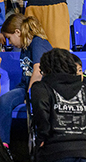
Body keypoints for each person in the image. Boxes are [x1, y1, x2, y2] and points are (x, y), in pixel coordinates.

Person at [0, 14, 52, 145]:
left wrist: (29, 95)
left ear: (18, 32)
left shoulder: (38, 42)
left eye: (9, 38)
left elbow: (38, 72)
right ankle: (3, 146)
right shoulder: (24, 47)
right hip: (24, 86)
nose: (9, 43)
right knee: (4, 101)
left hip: (40, 88)